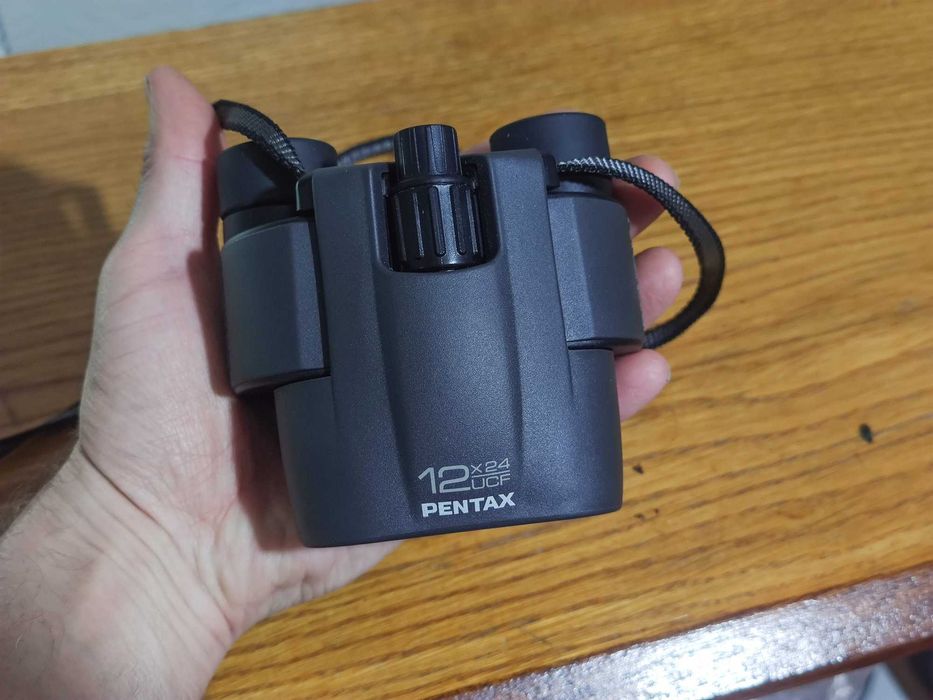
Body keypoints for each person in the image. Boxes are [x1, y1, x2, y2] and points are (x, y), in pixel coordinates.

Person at [0, 67, 684, 699]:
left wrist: (132, 531)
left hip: (352, 490)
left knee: (267, 177)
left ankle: (274, 195)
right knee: (562, 150)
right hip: (535, 472)